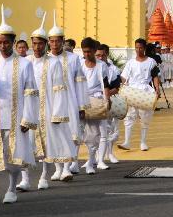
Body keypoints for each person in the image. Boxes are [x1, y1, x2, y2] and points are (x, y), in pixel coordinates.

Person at [0, 6, 39, 206]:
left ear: (13, 42)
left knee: (13, 156)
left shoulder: (24, 64)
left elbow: (31, 91)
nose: (3, 46)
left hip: (15, 116)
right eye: (0, 42)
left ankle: (12, 189)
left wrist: (27, 118)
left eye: (6, 42)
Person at [19, 14, 73, 191]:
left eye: (40, 43)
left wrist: (57, 113)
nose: (37, 47)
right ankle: (25, 179)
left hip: (47, 109)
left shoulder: (54, 64)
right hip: (27, 109)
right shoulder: (25, 62)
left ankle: (43, 177)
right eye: (34, 43)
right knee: (25, 145)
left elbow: (59, 90)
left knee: (45, 145)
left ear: (46, 44)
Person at [47, 11, 86, 180]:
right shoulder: (44, 60)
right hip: (51, 102)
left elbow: (80, 82)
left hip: (70, 101)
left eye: (58, 41)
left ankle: (67, 167)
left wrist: (81, 105)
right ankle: (57, 168)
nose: (55, 44)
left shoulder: (73, 59)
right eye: (52, 41)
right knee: (54, 135)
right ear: (49, 42)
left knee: (70, 134)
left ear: (63, 41)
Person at [119, 38, 162, 151]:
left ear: (144, 48)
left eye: (141, 48)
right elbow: (124, 76)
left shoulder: (151, 62)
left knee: (145, 117)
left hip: (145, 90)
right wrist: (123, 85)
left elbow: (155, 76)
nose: (138, 50)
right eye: (136, 47)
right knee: (129, 116)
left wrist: (157, 89)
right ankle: (127, 142)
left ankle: (143, 142)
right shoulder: (131, 62)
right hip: (132, 91)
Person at [78, 37, 107, 174]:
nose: (87, 54)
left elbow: (105, 85)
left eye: (89, 51)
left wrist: (106, 101)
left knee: (94, 134)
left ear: (95, 51)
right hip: (80, 100)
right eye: (84, 52)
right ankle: (72, 163)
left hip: (96, 101)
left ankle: (90, 162)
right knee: (77, 132)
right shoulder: (79, 65)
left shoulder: (102, 66)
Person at [95, 43, 121, 166]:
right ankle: (95, 156)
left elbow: (116, 87)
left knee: (111, 130)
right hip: (94, 103)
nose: (100, 58)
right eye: (98, 55)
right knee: (94, 131)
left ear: (107, 55)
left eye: (103, 55)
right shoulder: (89, 67)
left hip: (109, 101)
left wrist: (105, 95)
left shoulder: (113, 69)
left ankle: (110, 153)